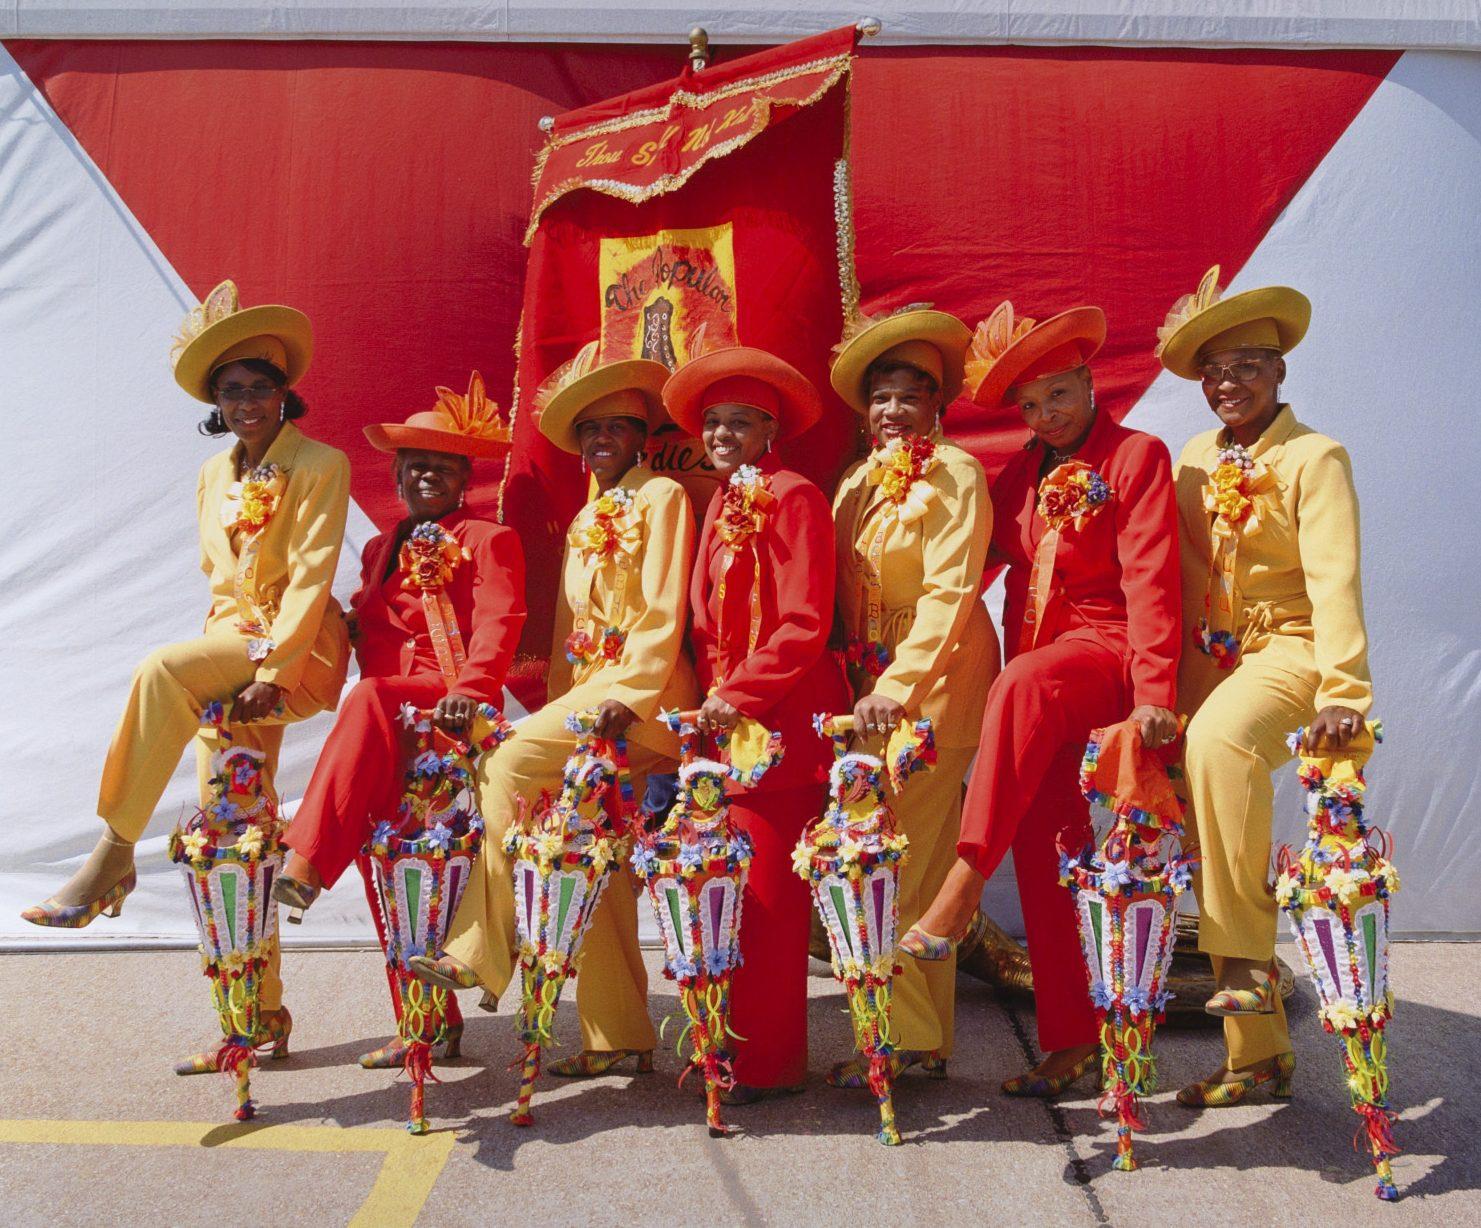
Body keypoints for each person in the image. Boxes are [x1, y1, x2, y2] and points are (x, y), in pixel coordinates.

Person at [23, 279, 351, 1062]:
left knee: (160, 668)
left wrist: (272, 665)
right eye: (231, 391)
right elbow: (218, 583)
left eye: (260, 388)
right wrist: (231, 671)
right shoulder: (212, 477)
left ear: (285, 394)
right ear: (216, 402)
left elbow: (310, 575)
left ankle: (112, 853)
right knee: (233, 838)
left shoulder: (320, 463)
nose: (247, 402)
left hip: (293, 654)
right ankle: (253, 1019)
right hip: (229, 660)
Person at [902, 302, 1181, 1096]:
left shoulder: (1135, 457)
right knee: (1045, 851)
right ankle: (1071, 1041)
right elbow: (962, 566)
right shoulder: (1020, 473)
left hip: (1105, 657)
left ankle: (959, 891)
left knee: (1018, 680)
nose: (1044, 416)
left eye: (1057, 396)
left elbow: (1152, 582)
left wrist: (1156, 693)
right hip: (1039, 683)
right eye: (1027, 406)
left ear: (1089, 383)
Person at [412, 346, 699, 1078]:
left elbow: (663, 614)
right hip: (588, 699)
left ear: (641, 437)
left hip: (644, 699)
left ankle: (483, 946)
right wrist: (568, 701)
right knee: (586, 845)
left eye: (616, 427)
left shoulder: (662, 497)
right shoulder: (585, 516)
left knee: (507, 759)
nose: (601, 439)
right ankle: (619, 1037)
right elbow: (568, 633)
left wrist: (623, 700)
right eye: (588, 429)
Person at [1155, 266, 1371, 1105]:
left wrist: (1342, 694)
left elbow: (1335, 581)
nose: (1226, 383)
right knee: (1204, 812)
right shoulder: (1193, 459)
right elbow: (1174, 580)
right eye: (1212, 370)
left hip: (1294, 649)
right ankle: (1256, 1055)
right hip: (1214, 658)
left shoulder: (1315, 457)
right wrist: (1161, 692)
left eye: (1246, 365)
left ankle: (1249, 965)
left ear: (1280, 371)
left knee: (1220, 741)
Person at [268, 372, 525, 1066]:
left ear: (462, 477)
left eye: (439, 467)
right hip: (385, 728)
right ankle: (424, 1026)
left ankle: (305, 862)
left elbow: (499, 623)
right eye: (413, 467)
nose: (423, 478)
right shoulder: (382, 548)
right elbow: (364, 630)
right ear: (398, 474)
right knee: (391, 869)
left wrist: (471, 690)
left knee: (368, 700)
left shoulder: (488, 537)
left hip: (443, 710)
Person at [663, 345, 851, 1102]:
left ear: (768, 431)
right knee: (731, 896)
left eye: (739, 422)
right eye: (712, 421)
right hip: (726, 726)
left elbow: (805, 622)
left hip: (782, 724)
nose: (720, 433)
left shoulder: (794, 495)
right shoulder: (721, 499)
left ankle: (769, 1065)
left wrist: (737, 696)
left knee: (770, 905)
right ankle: (729, 1050)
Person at [826, 307, 1000, 1084]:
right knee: (917, 869)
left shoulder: (954, 473)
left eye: (909, 396)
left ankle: (896, 1040)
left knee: (881, 862)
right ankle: (921, 1042)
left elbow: (950, 595)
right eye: (881, 396)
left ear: (938, 407)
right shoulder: (855, 483)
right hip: (875, 690)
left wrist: (895, 687)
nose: (892, 411)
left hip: (934, 690)